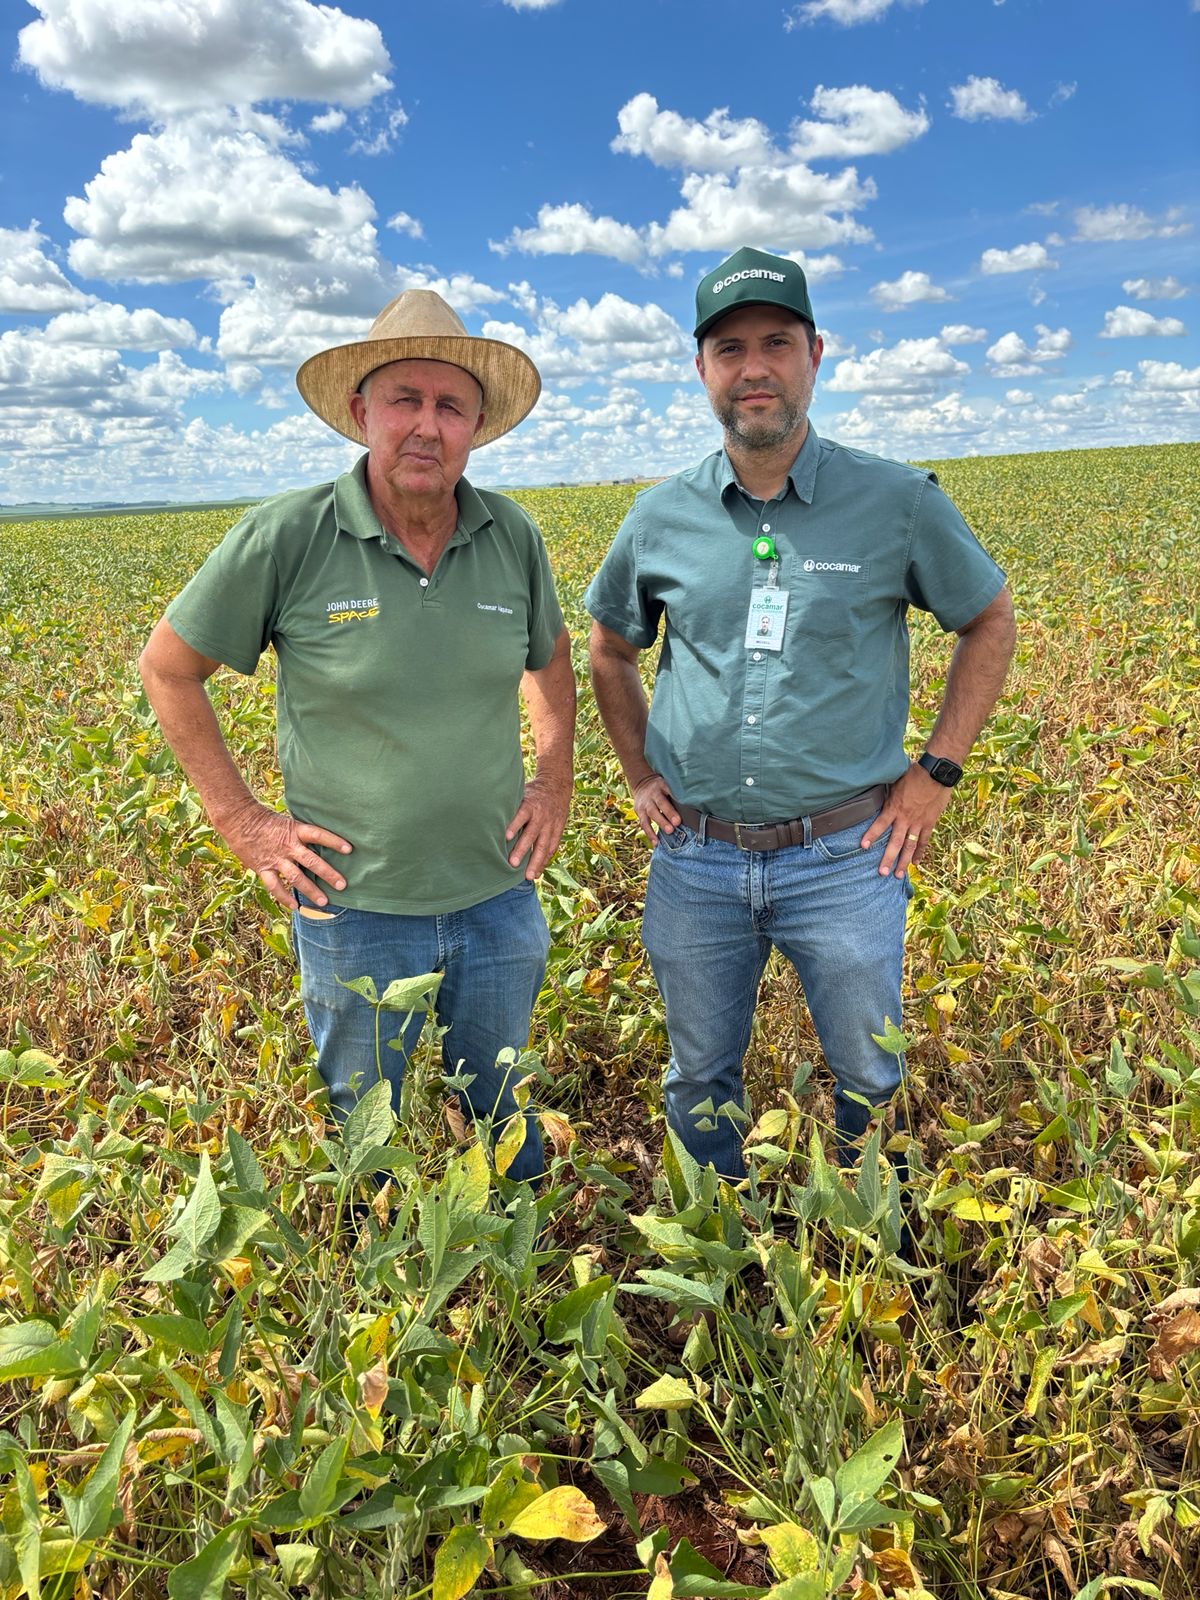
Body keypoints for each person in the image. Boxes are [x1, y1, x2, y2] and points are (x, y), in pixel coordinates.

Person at [586, 246, 1015, 1180]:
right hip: (694, 858)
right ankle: (721, 1239)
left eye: (775, 342)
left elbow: (987, 621)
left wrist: (934, 774)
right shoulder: (659, 517)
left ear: (815, 353)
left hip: (847, 857)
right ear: (701, 369)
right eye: (729, 348)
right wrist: (638, 772)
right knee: (698, 1077)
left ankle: (869, 1244)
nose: (754, 368)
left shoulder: (897, 502)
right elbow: (610, 651)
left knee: (866, 1071)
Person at [139, 289, 575, 1184]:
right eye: (403, 400)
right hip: (356, 907)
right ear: (359, 413)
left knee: (498, 1101)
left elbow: (553, 658)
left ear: (476, 424)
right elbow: (167, 667)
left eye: (449, 404)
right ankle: (382, 1284)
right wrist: (243, 823)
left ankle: (514, 1286)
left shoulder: (512, 535)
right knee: (364, 1129)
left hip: (497, 894)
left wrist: (555, 776)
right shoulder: (290, 536)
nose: (426, 424)